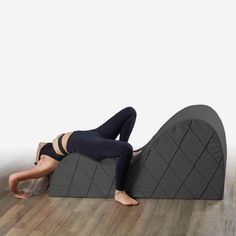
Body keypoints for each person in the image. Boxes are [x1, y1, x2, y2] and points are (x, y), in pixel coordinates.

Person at [8, 106, 142, 206]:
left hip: (91, 134)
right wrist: (16, 192)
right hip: (83, 144)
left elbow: (40, 146)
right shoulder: (44, 167)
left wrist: (37, 160)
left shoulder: (41, 151)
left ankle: (120, 154)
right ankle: (119, 192)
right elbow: (13, 178)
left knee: (130, 112)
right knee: (126, 149)